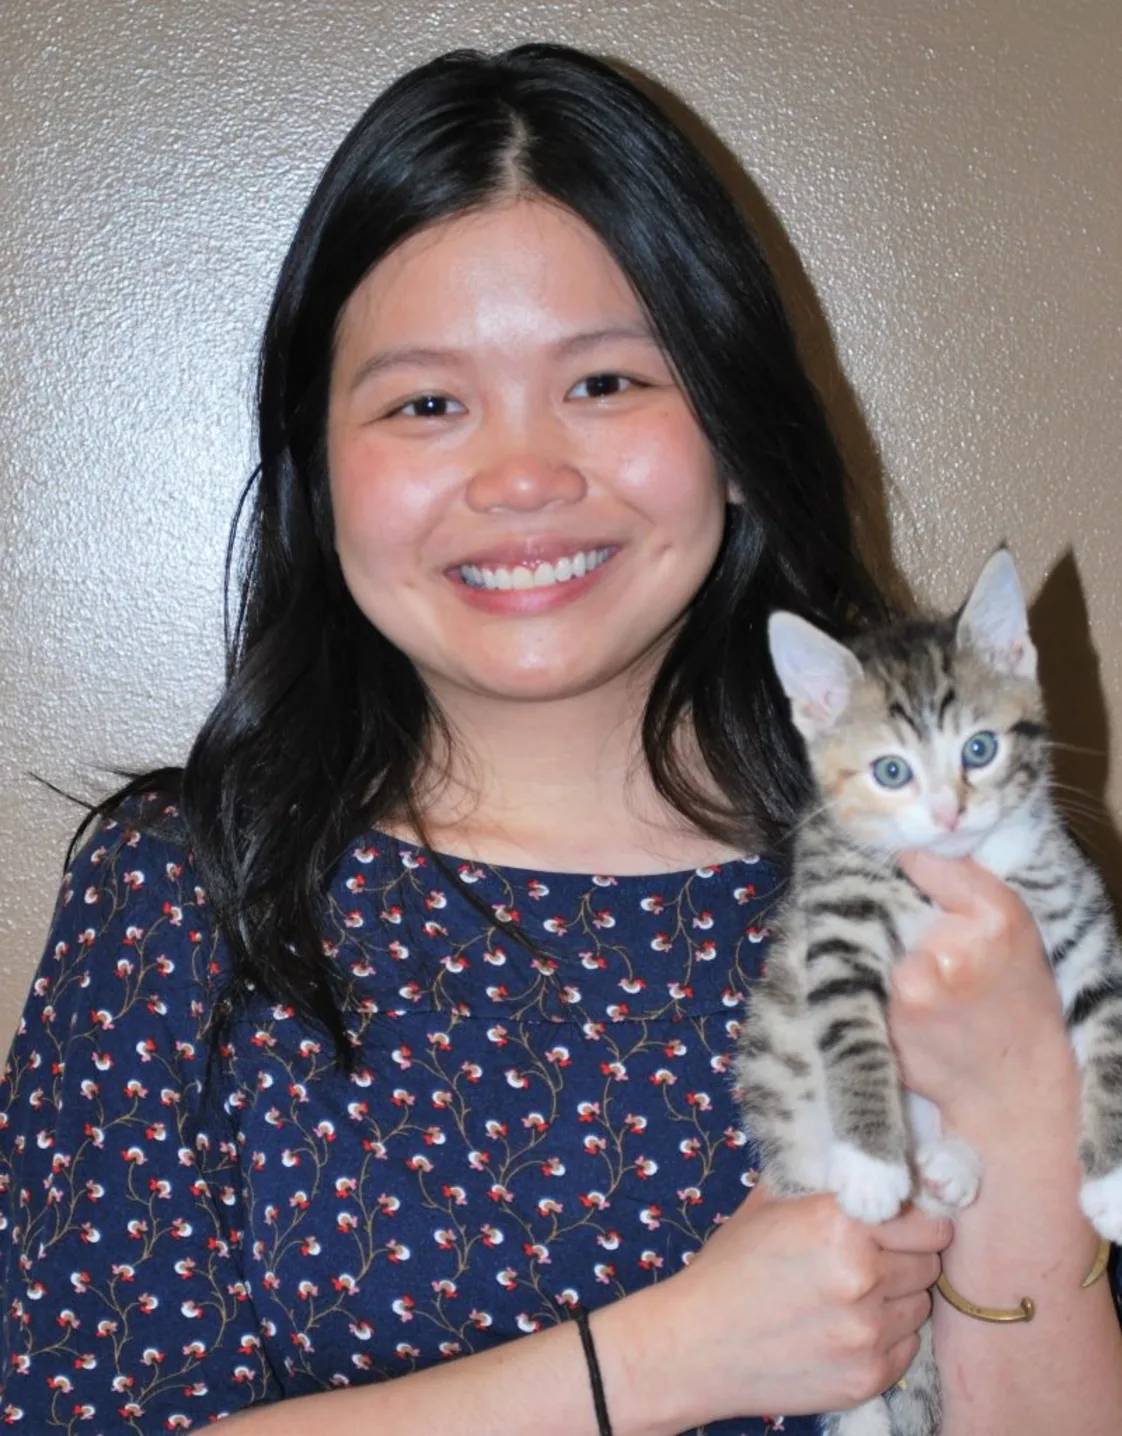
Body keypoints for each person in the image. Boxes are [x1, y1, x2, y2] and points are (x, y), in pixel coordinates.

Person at [0, 42, 1118, 1436]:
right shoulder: (179, 894)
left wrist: (1022, 1112)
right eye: (426, 404)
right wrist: (659, 1361)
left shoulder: (948, 869)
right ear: (319, 466)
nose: (523, 478)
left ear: (730, 428)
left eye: (605, 384)